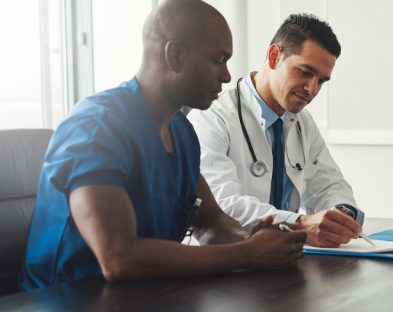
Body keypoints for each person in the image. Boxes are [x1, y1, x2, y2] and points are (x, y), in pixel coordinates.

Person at [20, 0, 306, 290]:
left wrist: (253, 238)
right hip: (66, 301)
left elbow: (210, 222)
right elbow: (119, 257)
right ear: (175, 55)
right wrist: (246, 253)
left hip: (147, 296)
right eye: (219, 60)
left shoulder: (181, 132)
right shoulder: (96, 126)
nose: (227, 76)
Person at [187, 13, 363, 248]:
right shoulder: (213, 115)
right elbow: (221, 206)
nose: (311, 88)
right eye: (305, 71)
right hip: (224, 264)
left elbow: (330, 184)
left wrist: (340, 214)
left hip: (280, 259)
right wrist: (299, 223)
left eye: (321, 81)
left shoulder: (302, 122)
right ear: (274, 56)